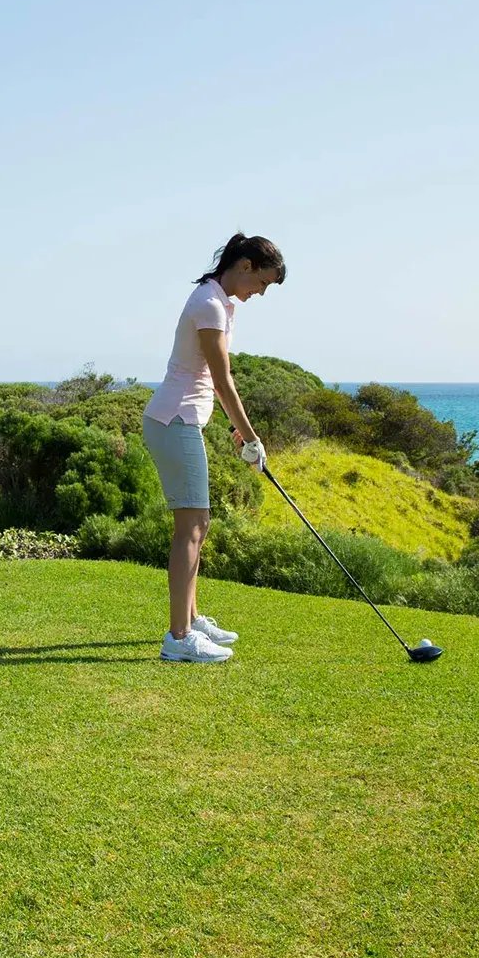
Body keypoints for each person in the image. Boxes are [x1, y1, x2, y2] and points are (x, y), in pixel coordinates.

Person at [140, 234, 285, 663]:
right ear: (244, 266)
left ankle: (191, 617)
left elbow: (206, 383)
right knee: (192, 525)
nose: (260, 293)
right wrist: (253, 437)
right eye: (262, 283)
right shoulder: (209, 304)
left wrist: (237, 431)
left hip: (183, 419)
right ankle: (179, 638)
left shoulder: (218, 302)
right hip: (174, 420)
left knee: (198, 525)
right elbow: (222, 381)